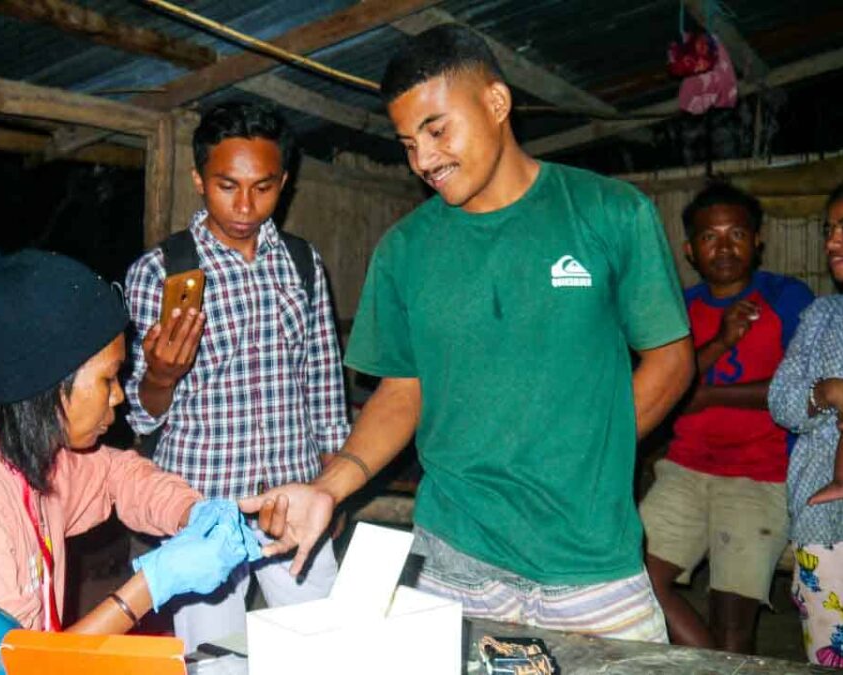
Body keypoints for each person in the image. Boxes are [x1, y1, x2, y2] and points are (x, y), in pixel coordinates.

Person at [241, 24, 695, 643]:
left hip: (592, 566)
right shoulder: (405, 250)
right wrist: (329, 487)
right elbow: (402, 393)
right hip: (451, 561)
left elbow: (670, 362)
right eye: (407, 143)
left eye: (437, 129)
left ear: (497, 103)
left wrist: (589, 452)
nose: (423, 160)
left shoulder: (610, 213)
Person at [0, 249, 261, 674]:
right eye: (108, 378)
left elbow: (117, 474)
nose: (118, 396)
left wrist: (192, 512)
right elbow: (12, 668)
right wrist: (150, 587)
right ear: (51, 384)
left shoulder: (25, 457)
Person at [123, 102, 350, 651]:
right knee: (215, 660)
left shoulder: (301, 264)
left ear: (285, 183)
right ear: (199, 179)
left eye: (263, 187)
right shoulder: (160, 271)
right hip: (203, 511)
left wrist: (332, 490)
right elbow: (139, 410)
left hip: (293, 499)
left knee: (325, 650)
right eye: (227, 185)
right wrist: (161, 374)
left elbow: (322, 379)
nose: (245, 205)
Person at [639, 184, 814, 652]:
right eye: (709, 237)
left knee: (734, 629)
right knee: (634, 583)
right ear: (690, 250)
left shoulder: (787, 297)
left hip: (759, 478)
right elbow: (667, 392)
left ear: (757, 240)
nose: (723, 247)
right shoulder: (679, 308)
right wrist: (722, 341)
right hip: (684, 470)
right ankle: (715, 664)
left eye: (736, 233)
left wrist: (706, 392)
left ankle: (720, 662)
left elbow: (795, 393)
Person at [769, 182, 843, 668]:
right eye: (830, 229)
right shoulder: (821, 315)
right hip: (820, 513)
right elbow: (781, 401)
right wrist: (830, 393)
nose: (833, 242)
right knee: (829, 652)